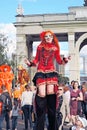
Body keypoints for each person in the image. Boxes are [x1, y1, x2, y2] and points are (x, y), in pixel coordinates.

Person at [25, 30, 70, 130]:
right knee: (41, 94)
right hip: (41, 71)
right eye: (46, 36)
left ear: (52, 37)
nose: (48, 38)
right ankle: (40, 117)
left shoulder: (55, 48)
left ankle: (51, 118)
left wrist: (65, 60)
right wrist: (29, 63)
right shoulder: (39, 47)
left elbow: (59, 60)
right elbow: (36, 60)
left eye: (50, 36)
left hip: (51, 71)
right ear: (43, 38)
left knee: (50, 92)